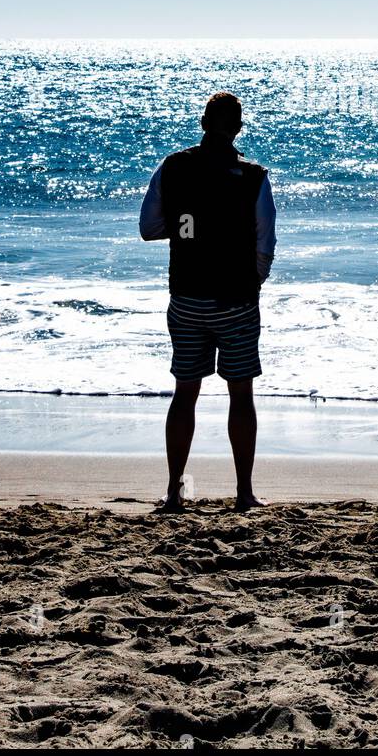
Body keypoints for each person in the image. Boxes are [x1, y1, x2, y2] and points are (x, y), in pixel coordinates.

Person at [139, 91, 276, 512]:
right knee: (241, 395)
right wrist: (254, 279)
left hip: (186, 294)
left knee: (185, 392)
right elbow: (265, 241)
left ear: (203, 123)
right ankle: (244, 492)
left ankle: (173, 490)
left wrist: (190, 230)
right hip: (235, 298)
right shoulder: (252, 176)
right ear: (238, 128)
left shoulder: (174, 167)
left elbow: (149, 227)